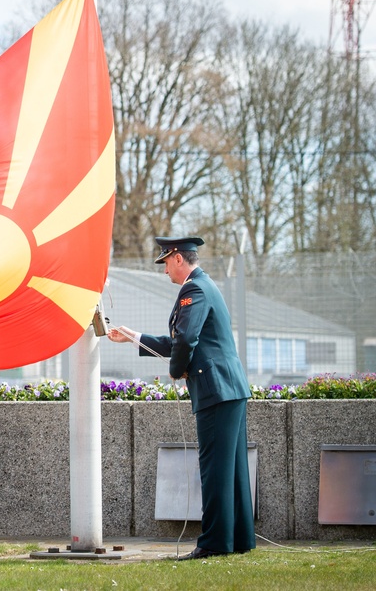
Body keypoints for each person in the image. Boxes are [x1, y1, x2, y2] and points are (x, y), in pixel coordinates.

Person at [107, 236, 256, 560]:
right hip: (228, 388)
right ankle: (239, 538)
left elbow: (186, 339)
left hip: (215, 390)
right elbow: (181, 339)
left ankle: (215, 542)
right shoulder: (205, 286)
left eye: (165, 263)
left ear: (177, 258)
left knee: (215, 469)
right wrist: (134, 337)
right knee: (231, 469)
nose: (164, 272)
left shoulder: (194, 289)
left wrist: (176, 370)